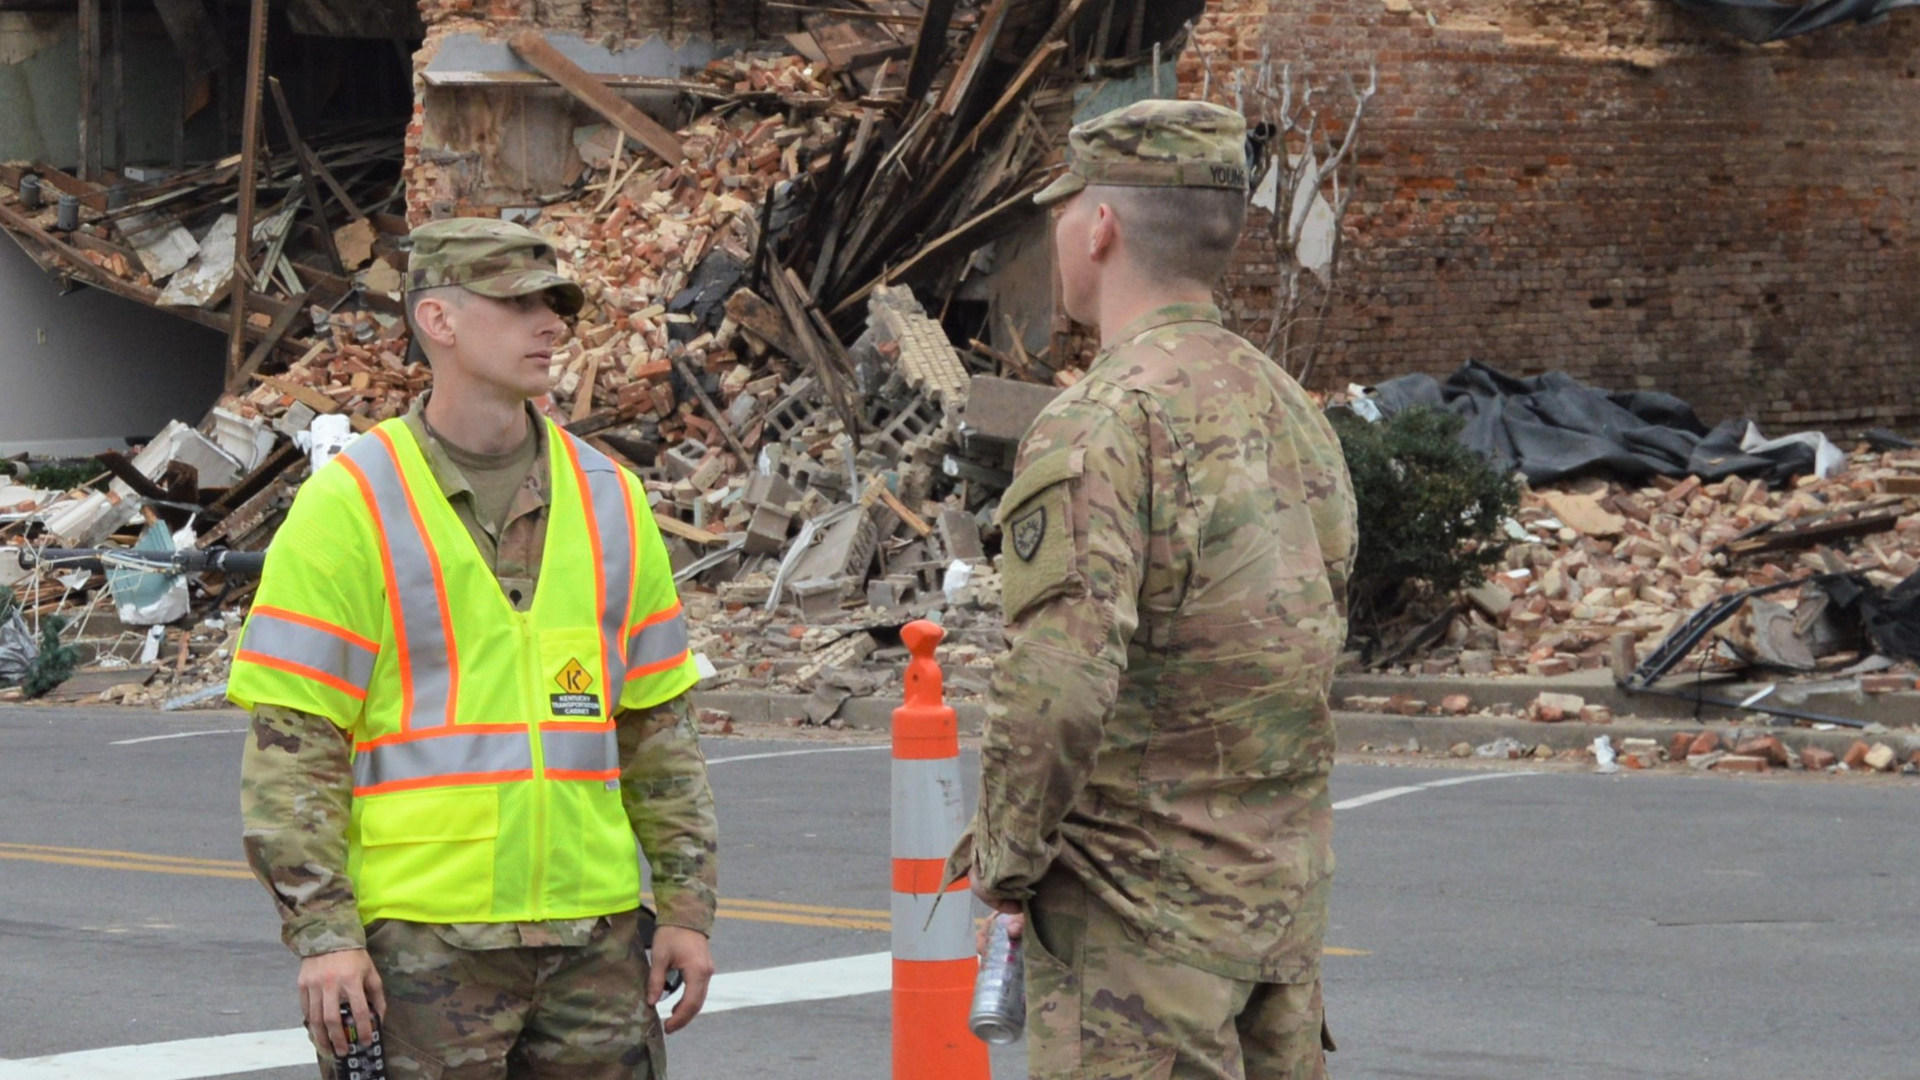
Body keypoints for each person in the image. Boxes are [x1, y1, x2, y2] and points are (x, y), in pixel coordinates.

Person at [232, 218, 717, 1080]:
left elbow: (657, 732)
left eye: (555, 306)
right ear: (439, 319)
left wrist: (686, 907)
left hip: (596, 943)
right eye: (519, 304)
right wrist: (325, 935)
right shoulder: (351, 504)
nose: (551, 325)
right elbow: (294, 749)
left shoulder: (612, 496)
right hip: (422, 950)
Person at [946, 100, 1358, 1079]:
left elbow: (1058, 687)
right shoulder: (1293, 413)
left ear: (1100, 227)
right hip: (1274, 928)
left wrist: (1005, 864)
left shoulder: (1103, 421)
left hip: (1137, 941)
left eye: (1064, 208)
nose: (1058, 228)